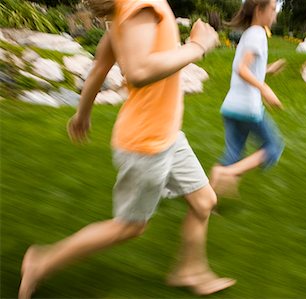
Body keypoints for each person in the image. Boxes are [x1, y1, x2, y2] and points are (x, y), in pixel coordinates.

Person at [18, 0, 236, 298]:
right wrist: (197, 46)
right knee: (130, 227)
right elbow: (138, 71)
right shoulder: (139, 4)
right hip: (147, 142)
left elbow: (99, 66)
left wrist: (82, 113)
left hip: (168, 133)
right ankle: (41, 261)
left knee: (203, 201)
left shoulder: (126, 8)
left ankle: (190, 269)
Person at [210, 0, 285, 197]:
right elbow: (241, 69)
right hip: (247, 108)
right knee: (273, 147)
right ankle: (226, 172)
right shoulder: (258, 34)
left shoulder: (248, 34)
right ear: (259, 10)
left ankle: (206, 203)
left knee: (233, 154)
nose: (275, 16)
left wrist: (266, 70)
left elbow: (248, 69)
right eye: (273, 10)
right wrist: (265, 88)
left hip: (231, 106)